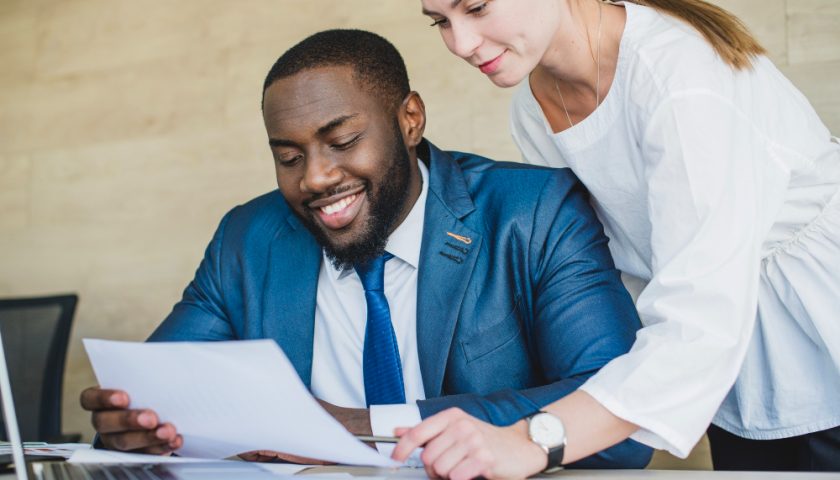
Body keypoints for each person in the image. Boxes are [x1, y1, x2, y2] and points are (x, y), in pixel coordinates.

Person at [79, 29, 652, 468]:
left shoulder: (532, 212)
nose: (316, 178)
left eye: (343, 141)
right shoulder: (247, 241)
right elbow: (161, 392)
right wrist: (131, 428)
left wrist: (359, 426)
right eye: (288, 156)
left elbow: (621, 411)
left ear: (409, 119)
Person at [395, 0, 840, 476]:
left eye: (477, 7)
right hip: (728, 359)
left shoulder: (679, 80)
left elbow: (702, 315)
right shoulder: (533, 107)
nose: (460, 44)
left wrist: (531, 440)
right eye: (441, 21)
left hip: (816, 321)